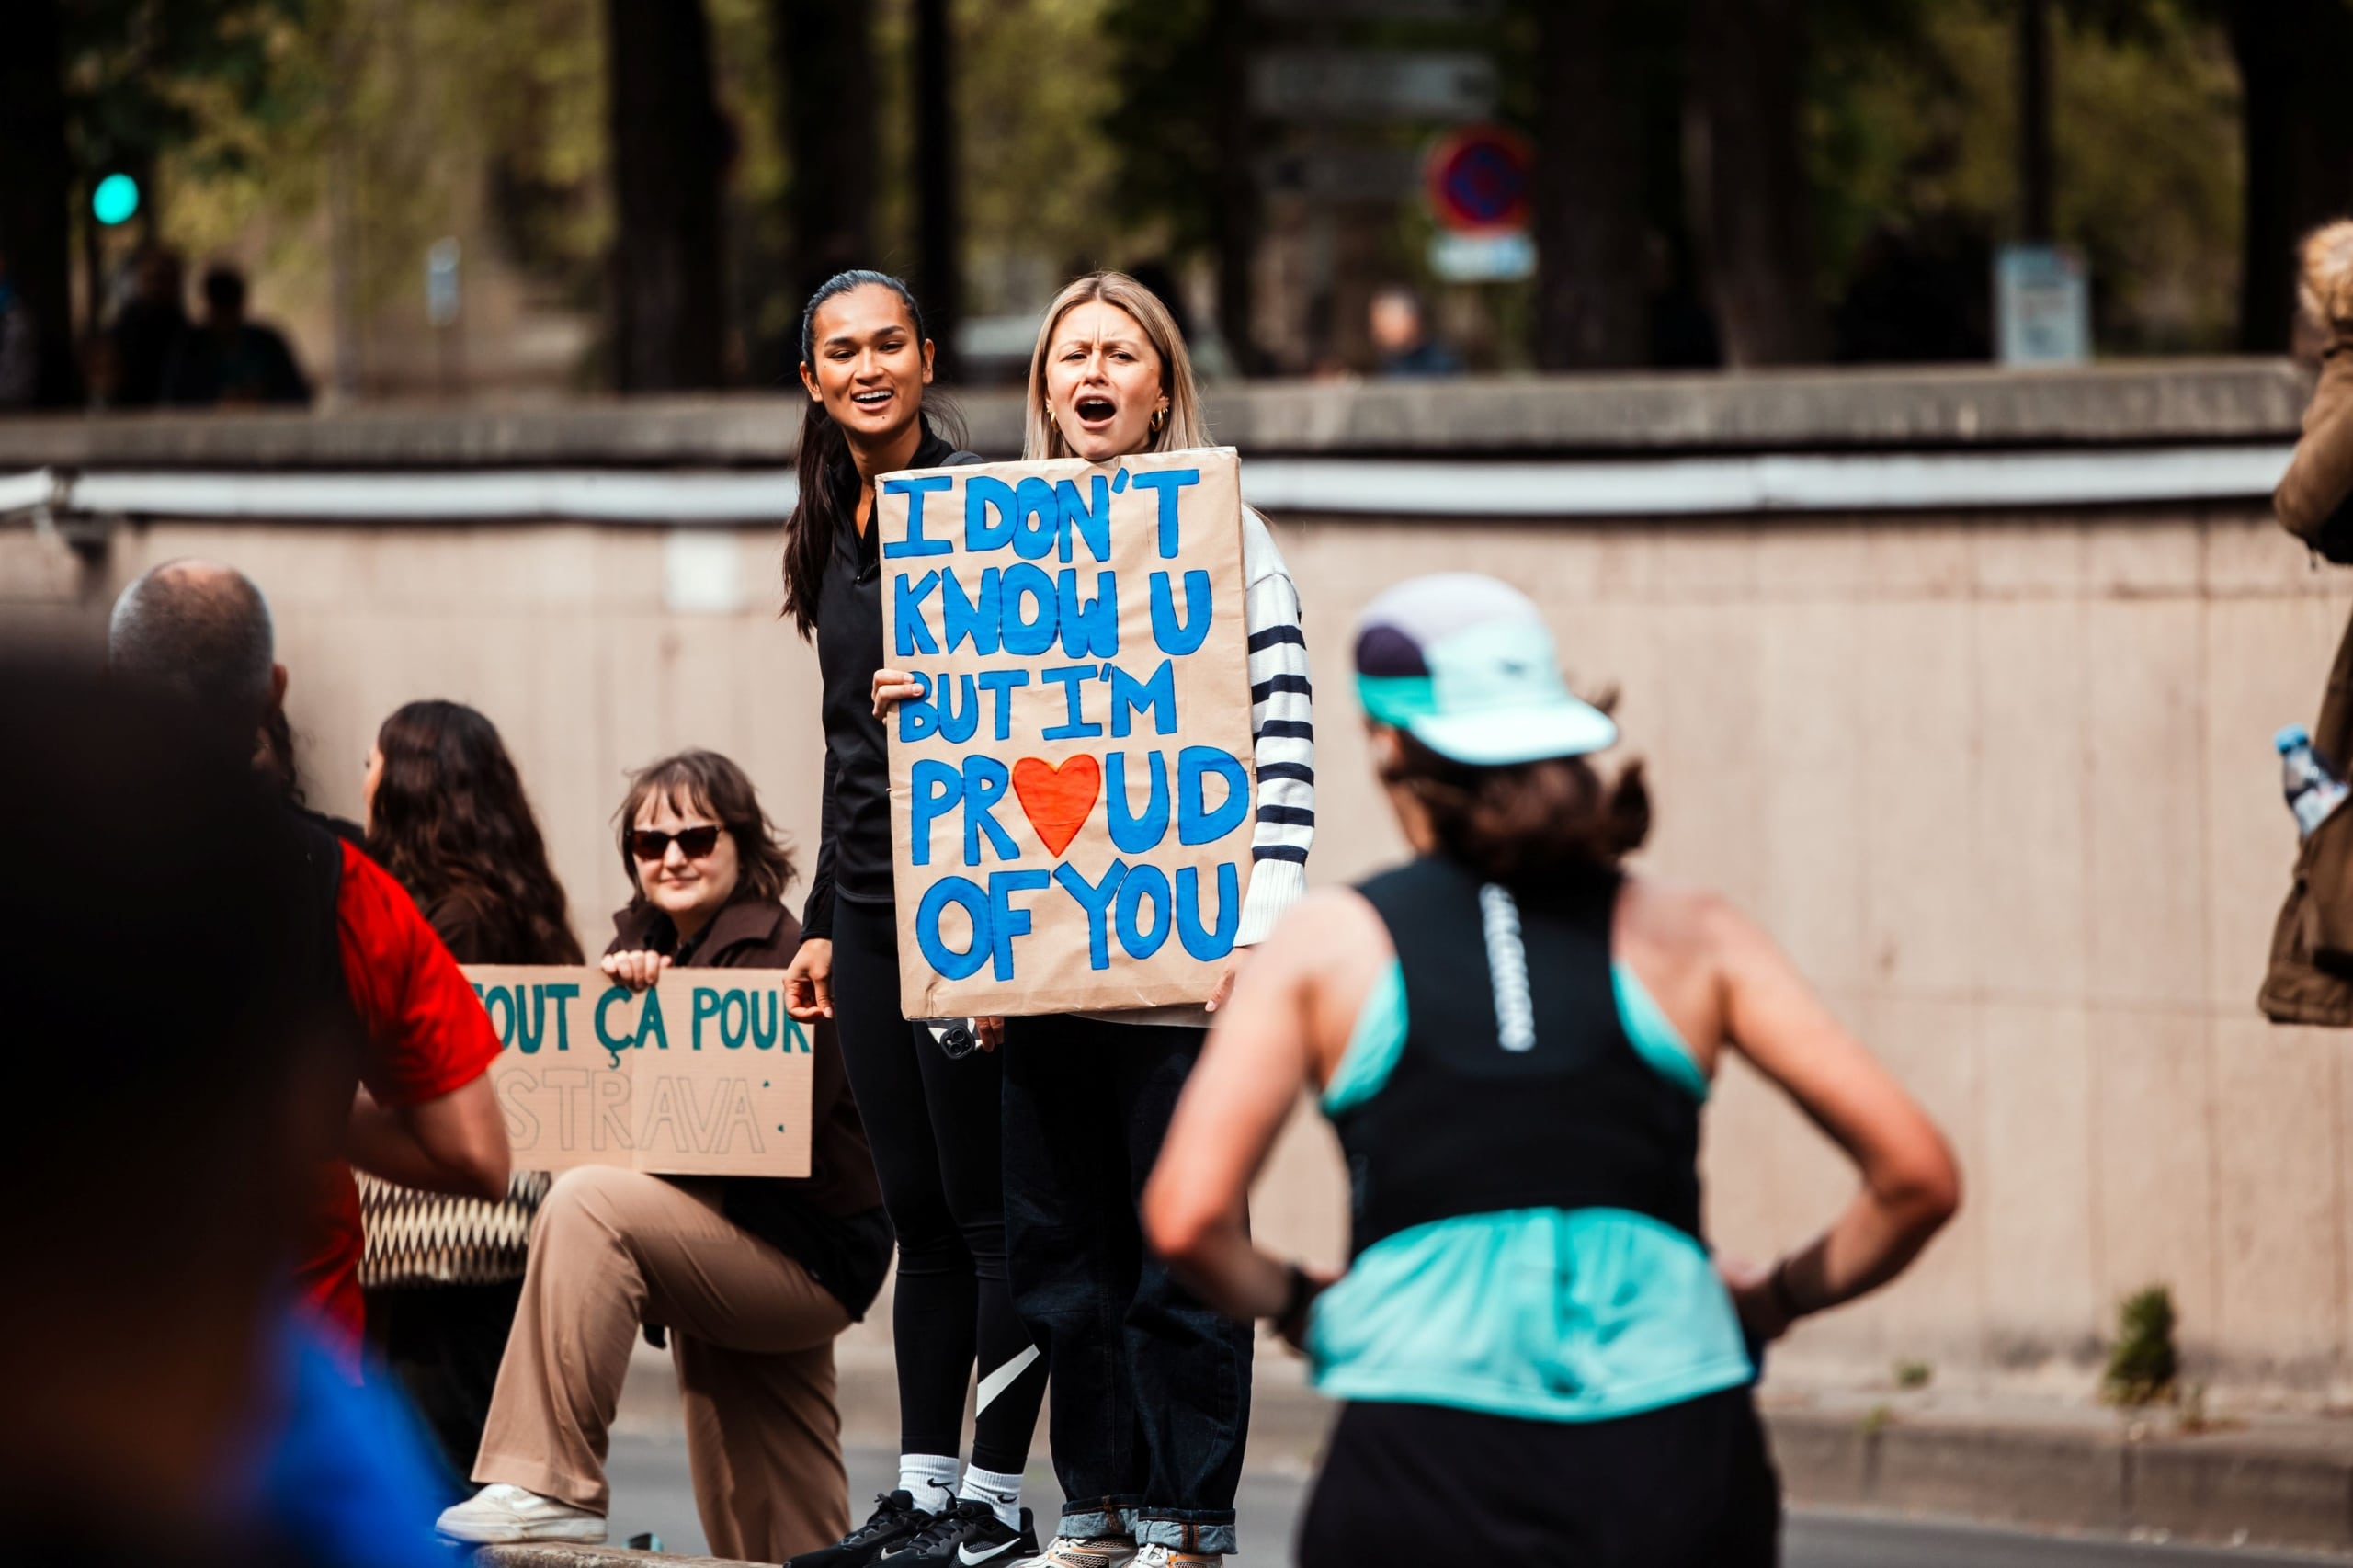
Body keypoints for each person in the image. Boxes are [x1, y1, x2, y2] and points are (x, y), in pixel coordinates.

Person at [1142, 573, 1963, 1566]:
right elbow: (1916, 1174)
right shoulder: (1690, 931)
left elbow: (1186, 1216)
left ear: (1390, 745)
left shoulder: (1327, 946)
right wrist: (1775, 1295)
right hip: (1675, 1456)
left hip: (1423, 1451)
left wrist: (1300, 1301)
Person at [870, 271, 1314, 1568]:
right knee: (1064, 1259)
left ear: (1163, 381)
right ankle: (1102, 1506)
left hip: (1186, 970)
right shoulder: (981, 543)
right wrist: (928, 699)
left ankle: (1190, 1518)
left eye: (1121, 353)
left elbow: (1281, 737)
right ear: (1045, 386)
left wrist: (1255, 926)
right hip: (1050, 973)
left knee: (1178, 1248)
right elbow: (980, 767)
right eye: (1073, 356)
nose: (1094, 375)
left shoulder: (1234, 537)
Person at [439, 749, 892, 1562]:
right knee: (768, 1517)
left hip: (804, 1251)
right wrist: (635, 1006)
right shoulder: (633, 961)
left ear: (743, 845)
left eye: (695, 836)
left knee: (585, 1204)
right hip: (731, 1243)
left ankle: (550, 1486)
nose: (673, 857)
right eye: (651, 844)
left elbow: (744, 1131)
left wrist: (667, 1011)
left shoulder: (788, 956)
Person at [776, 270, 1045, 1568]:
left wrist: (966, 687)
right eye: (844, 350)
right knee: (921, 1214)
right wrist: (824, 916)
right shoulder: (830, 520)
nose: (870, 365)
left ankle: (994, 1503)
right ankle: (924, 1495)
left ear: (929, 359)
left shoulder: (984, 508)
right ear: (814, 378)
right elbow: (844, 746)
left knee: (996, 1218)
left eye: (891, 342)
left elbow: (1066, 699)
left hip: (975, 903)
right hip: (875, 909)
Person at [108, 561, 512, 1363]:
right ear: (273, 692)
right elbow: (474, 1154)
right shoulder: (350, 891)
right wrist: (318, 1115)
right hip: (291, 1375)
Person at [358, 699, 585, 1487]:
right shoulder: (512, 905)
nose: (364, 781)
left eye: (372, 763)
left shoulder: (452, 924)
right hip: (489, 1235)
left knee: (440, 1469)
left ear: (410, 785)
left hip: (449, 1240)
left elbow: (421, 1078)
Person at [163, 264, 313, 407]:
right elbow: (176, 398)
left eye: (229, 306)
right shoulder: (191, 346)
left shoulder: (267, 343)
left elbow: (297, 394)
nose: (225, 318)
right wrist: (217, 401)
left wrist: (260, 398)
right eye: (219, 307)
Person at [108, 246, 192, 408]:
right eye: (150, 279)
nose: (157, 288)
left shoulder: (191, 341)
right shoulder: (116, 341)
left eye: (165, 279)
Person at [1369, 286, 1460, 379]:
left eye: (1387, 323)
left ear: (1411, 321)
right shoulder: (1389, 361)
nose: (1378, 332)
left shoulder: (1440, 363)